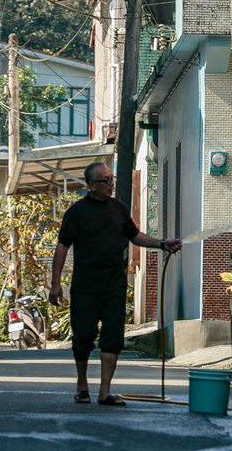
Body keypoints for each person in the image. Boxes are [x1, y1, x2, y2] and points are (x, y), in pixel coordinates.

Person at [49, 162, 181, 405]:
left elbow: (135, 236)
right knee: (83, 337)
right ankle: (82, 385)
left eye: (112, 179)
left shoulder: (119, 209)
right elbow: (62, 248)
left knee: (112, 338)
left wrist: (162, 243)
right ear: (91, 185)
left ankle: (105, 391)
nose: (111, 184)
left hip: (114, 286)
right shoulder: (76, 213)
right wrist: (55, 283)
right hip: (85, 287)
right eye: (105, 181)